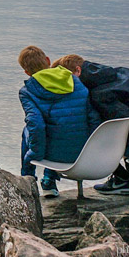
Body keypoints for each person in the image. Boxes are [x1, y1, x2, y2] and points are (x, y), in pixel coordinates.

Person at [52, 54, 129, 195]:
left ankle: (123, 180)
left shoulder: (100, 95)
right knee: (122, 132)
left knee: (99, 139)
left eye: (68, 79)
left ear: (78, 71)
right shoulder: (122, 72)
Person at [18, 45, 98, 197]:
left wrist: (34, 154)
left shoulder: (27, 91)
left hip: (55, 156)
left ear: (26, 72)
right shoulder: (74, 81)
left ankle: (27, 181)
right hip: (85, 154)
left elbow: (37, 126)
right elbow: (92, 118)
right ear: (48, 61)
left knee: (28, 130)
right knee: (62, 126)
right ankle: (48, 179)